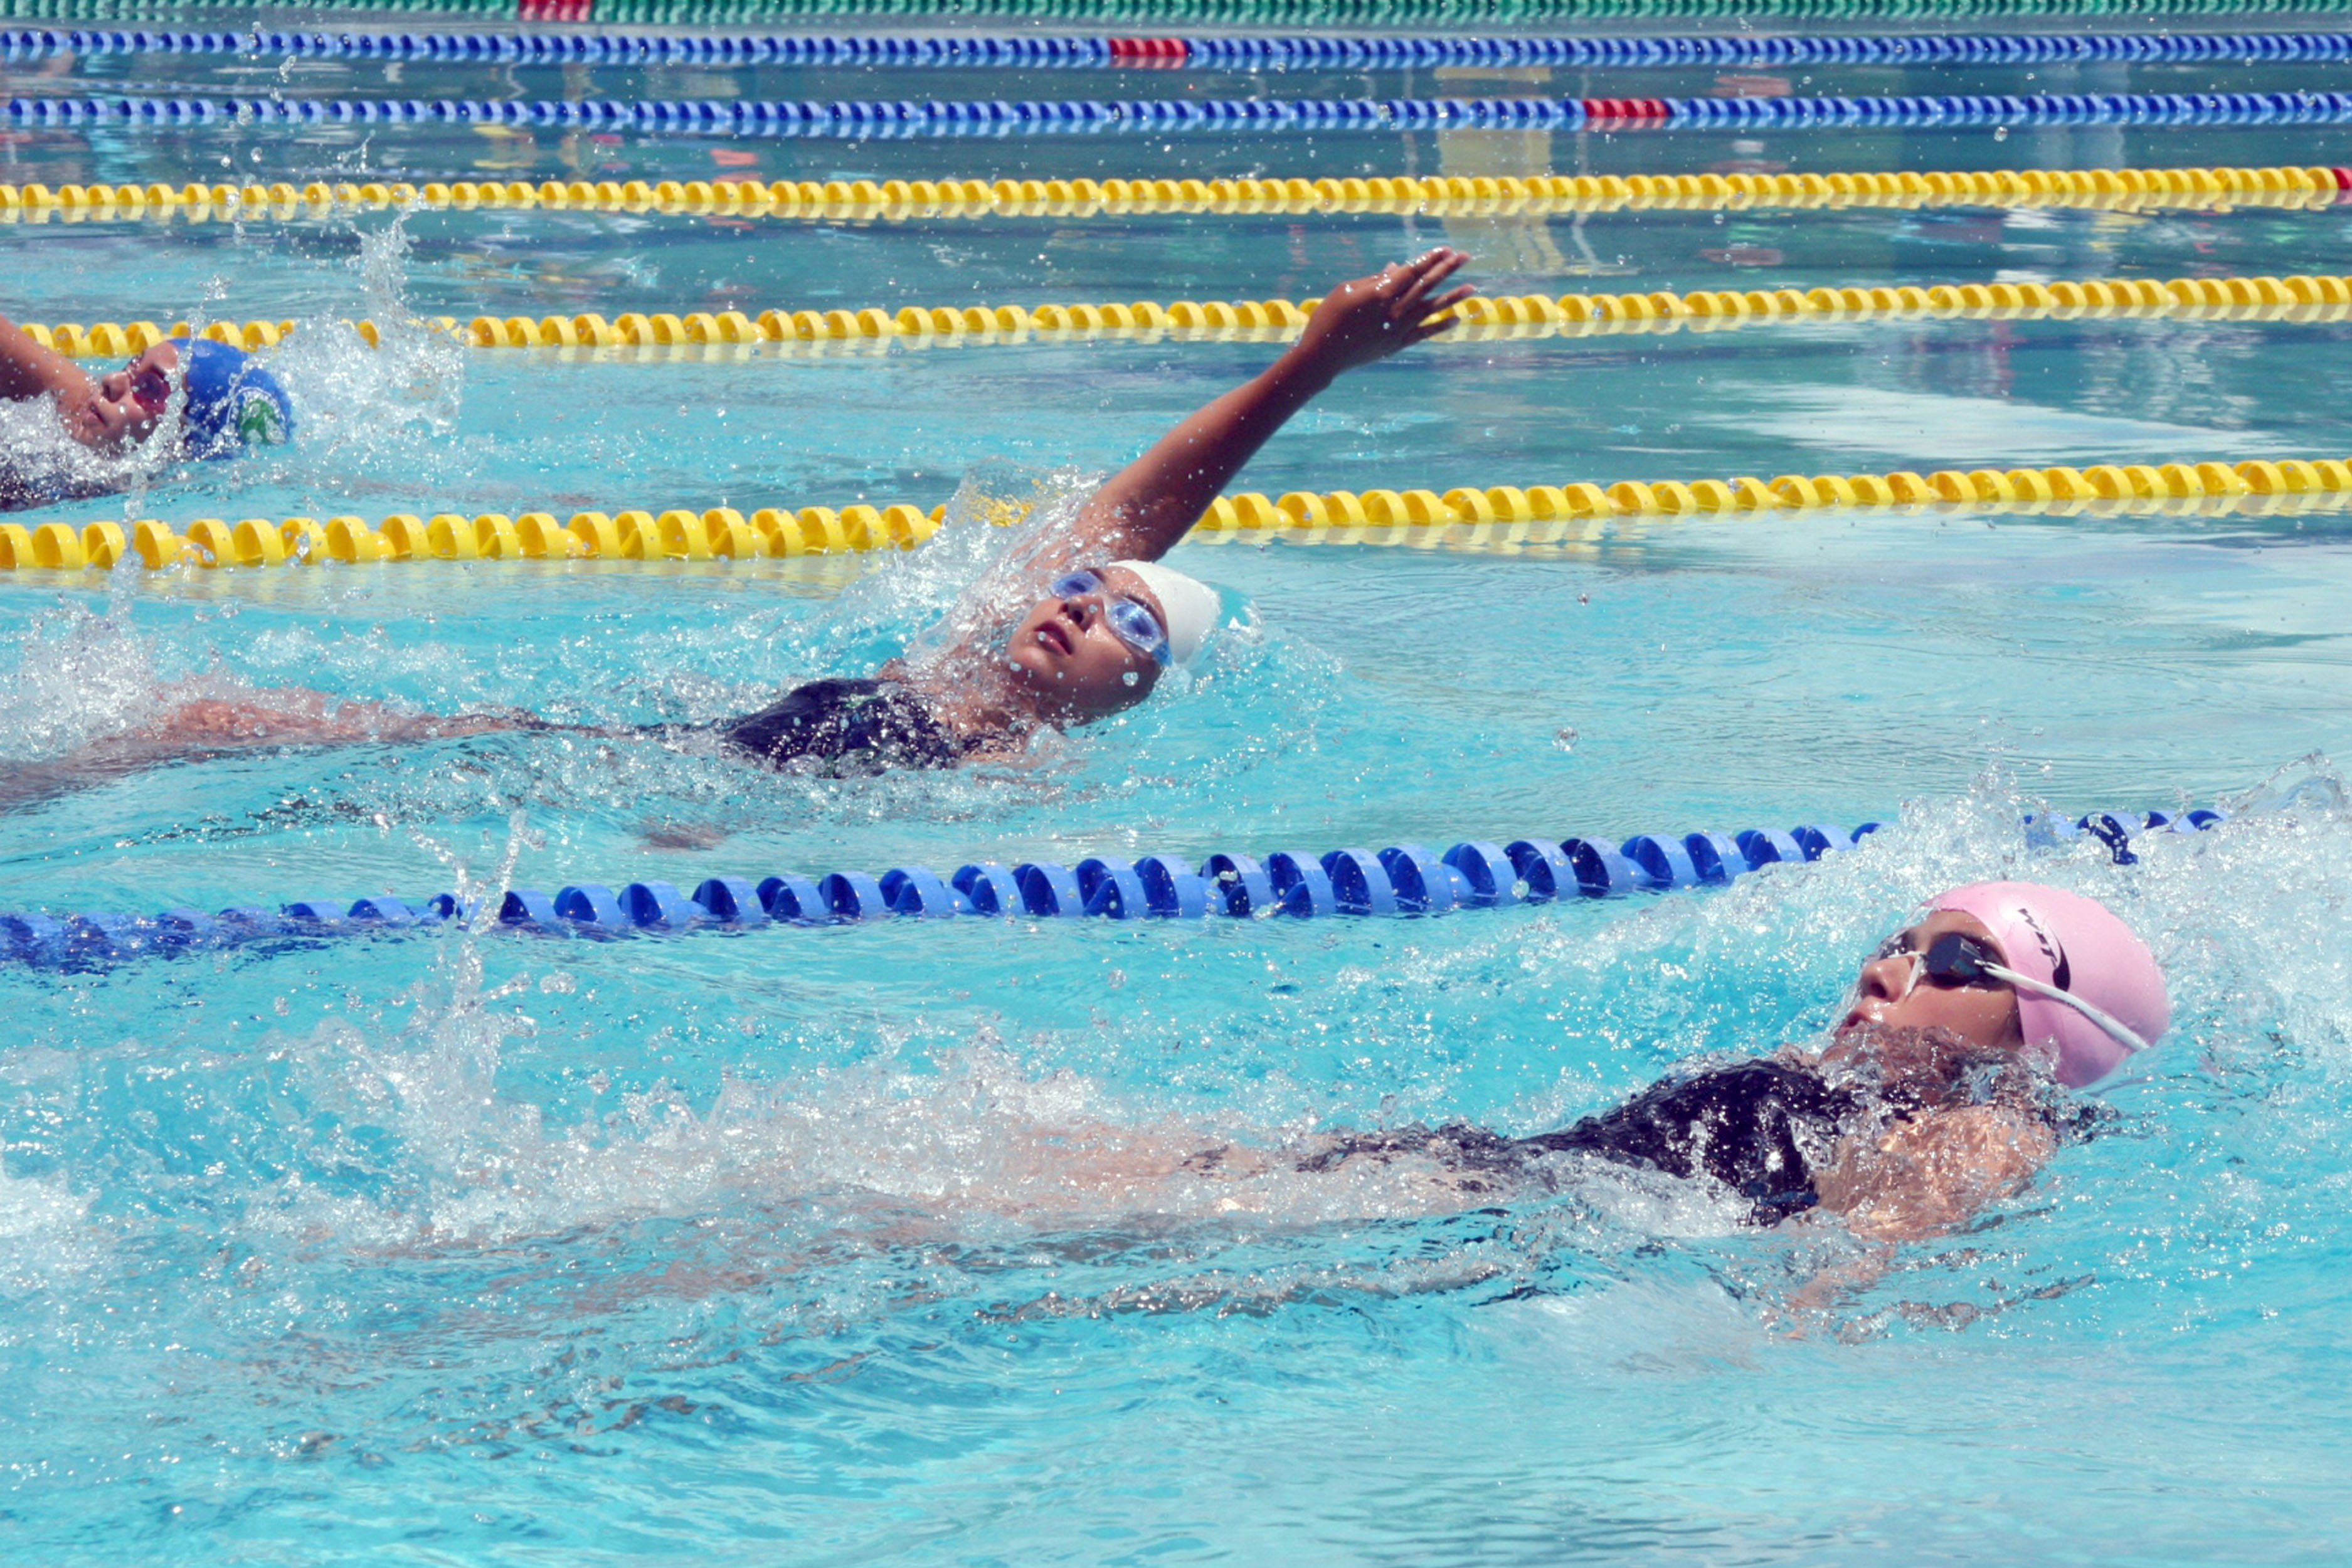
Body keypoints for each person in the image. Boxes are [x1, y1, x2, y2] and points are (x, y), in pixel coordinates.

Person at [0, 250, 1473, 790]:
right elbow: (1127, 514)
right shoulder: (954, 671)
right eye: (1093, 590)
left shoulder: (1024, 782)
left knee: (205, 720)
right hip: (611, 755)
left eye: (1126, 625)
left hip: (634, 795)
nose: (1088, 602)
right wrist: (1307, 363)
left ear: (1137, 695)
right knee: (197, 717)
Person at [1184, 880, 2171, 1242]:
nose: (1886, 967)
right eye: (1899, 939)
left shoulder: (1991, 1128)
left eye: (1954, 961)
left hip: (1496, 1221)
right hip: (1494, 1176)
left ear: (2037, 1043)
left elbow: (1866, 1248)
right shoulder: (1835, 1080)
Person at [0, 315, 294, 508]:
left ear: (191, 439)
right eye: (131, 366)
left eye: (150, 388)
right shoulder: (72, 404)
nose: (111, 381)